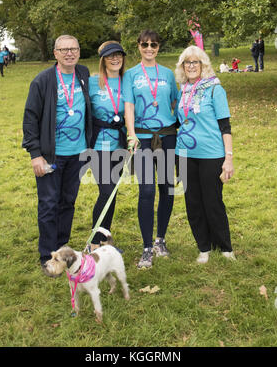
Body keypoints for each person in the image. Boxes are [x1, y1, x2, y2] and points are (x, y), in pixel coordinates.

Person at [22, 35, 92, 269]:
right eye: (64, 50)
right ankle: (47, 255)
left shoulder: (84, 74)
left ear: (79, 51)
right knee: (49, 204)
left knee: (68, 202)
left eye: (73, 48)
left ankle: (62, 248)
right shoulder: (43, 81)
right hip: (51, 155)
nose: (69, 53)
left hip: (78, 153)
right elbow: (30, 118)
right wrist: (35, 154)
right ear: (55, 53)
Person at [174, 45, 236, 264]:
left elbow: (225, 127)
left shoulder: (214, 89)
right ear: (182, 66)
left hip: (211, 154)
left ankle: (225, 247)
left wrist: (228, 158)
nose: (191, 66)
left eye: (195, 62)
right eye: (187, 62)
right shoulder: (181, 90)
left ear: (203, 65)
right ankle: (204, 247)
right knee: (193, 202)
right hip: (184, 154)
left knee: (212, 201)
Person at [123, 29, 178, 268]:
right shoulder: (131, 75)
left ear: (158, 47)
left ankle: (160, 239)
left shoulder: (167, 73)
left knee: (167, 187)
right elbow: (129, 107)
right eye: (144, 44)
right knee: (146, 191)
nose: (149, 48)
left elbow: (176, 103)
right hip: (143, 138)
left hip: (167, 137)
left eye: (153, 44)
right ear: (138, 46)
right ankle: (146, 247)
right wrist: (131, 134)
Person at [88, 41, 127, 251]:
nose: (115, 59)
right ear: (103, 59)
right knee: (106, 191)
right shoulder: (92, 82)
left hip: (119, 144)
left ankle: (104, 240)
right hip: (97, 145)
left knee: (112, 195)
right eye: (110, 56)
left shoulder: (126, 81)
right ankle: (95, 243)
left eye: (118, 55)